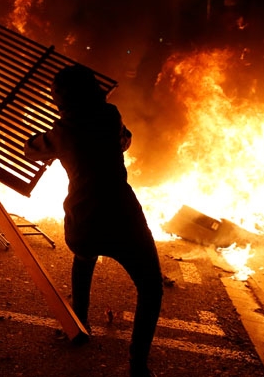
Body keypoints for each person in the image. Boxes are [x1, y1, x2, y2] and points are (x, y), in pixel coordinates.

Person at [24, 65, 162, 377]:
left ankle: (79, 324)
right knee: (151, 288)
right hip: (123, 216)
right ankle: (138, 363)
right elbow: (125, 140)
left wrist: (38, 139)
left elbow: (30, 150)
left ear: (63, 99)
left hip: (84, 218)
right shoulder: (110, 115)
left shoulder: (63, 132)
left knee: (84, 257)